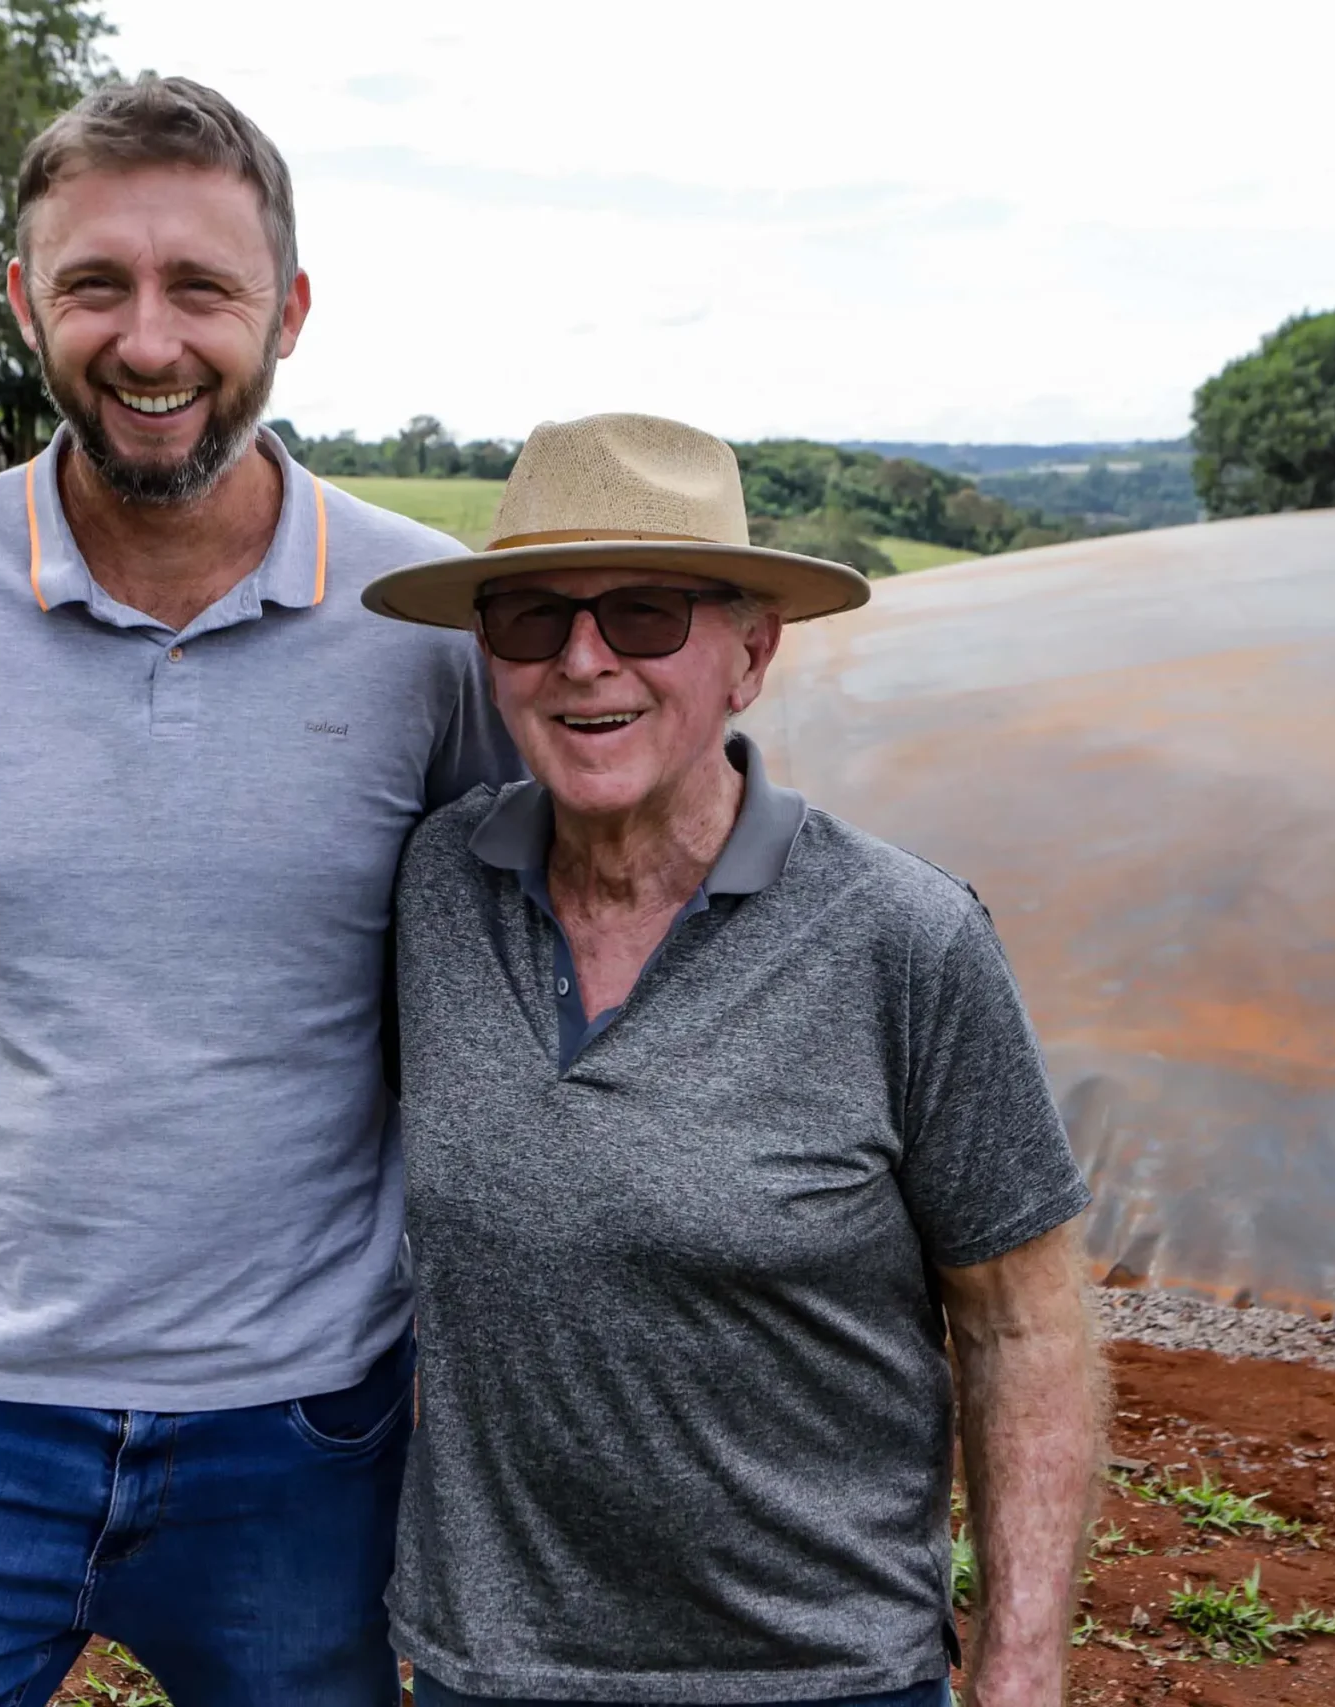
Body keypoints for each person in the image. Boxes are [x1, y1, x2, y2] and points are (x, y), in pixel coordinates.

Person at [0, 75, 514, 1705]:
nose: (148, 340)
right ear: (23, 302)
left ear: (292, 310)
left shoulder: (428, 624)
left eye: (202, 285)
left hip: (313, 1431)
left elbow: (539, 991)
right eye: (95, 285)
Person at [364, 413, 1098, 1707]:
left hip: (818, 1675)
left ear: (750, 655)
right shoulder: (435, 887)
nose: (584, 661)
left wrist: (1021, 1659)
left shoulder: (902, 939)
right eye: (532, 619)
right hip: (494, 1672)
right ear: (491, 658)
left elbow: (1023, 1318)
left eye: (644, 614)